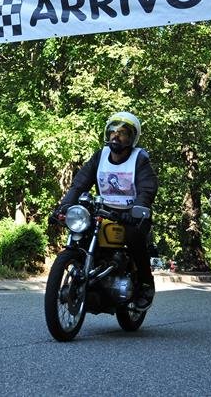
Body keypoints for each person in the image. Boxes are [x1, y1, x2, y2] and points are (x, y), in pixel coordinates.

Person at [51, 111, 159, 311]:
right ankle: (87, 275)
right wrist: (64, 207)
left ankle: (145, 284)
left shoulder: (140, 159)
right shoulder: (99, 156)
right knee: (82, 231)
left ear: (132, 138)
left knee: (134, 237)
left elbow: (147, 188)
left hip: (132, 214)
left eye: (122, 133)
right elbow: (79, 184)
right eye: (112, 132)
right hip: (103, 210)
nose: (116, 136)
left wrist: (138, 209)